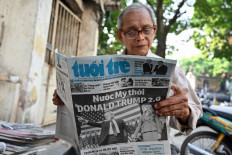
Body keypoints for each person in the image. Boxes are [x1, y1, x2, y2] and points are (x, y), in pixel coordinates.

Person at [53, 3, 202, 155]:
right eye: (131, 32)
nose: (140, 37)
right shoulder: (99, 70)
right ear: (120, 35)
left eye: (146, 30)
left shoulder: (172, 72)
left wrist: (184, 113)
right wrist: (65, 100)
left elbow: (194, 110)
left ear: (154, 30)